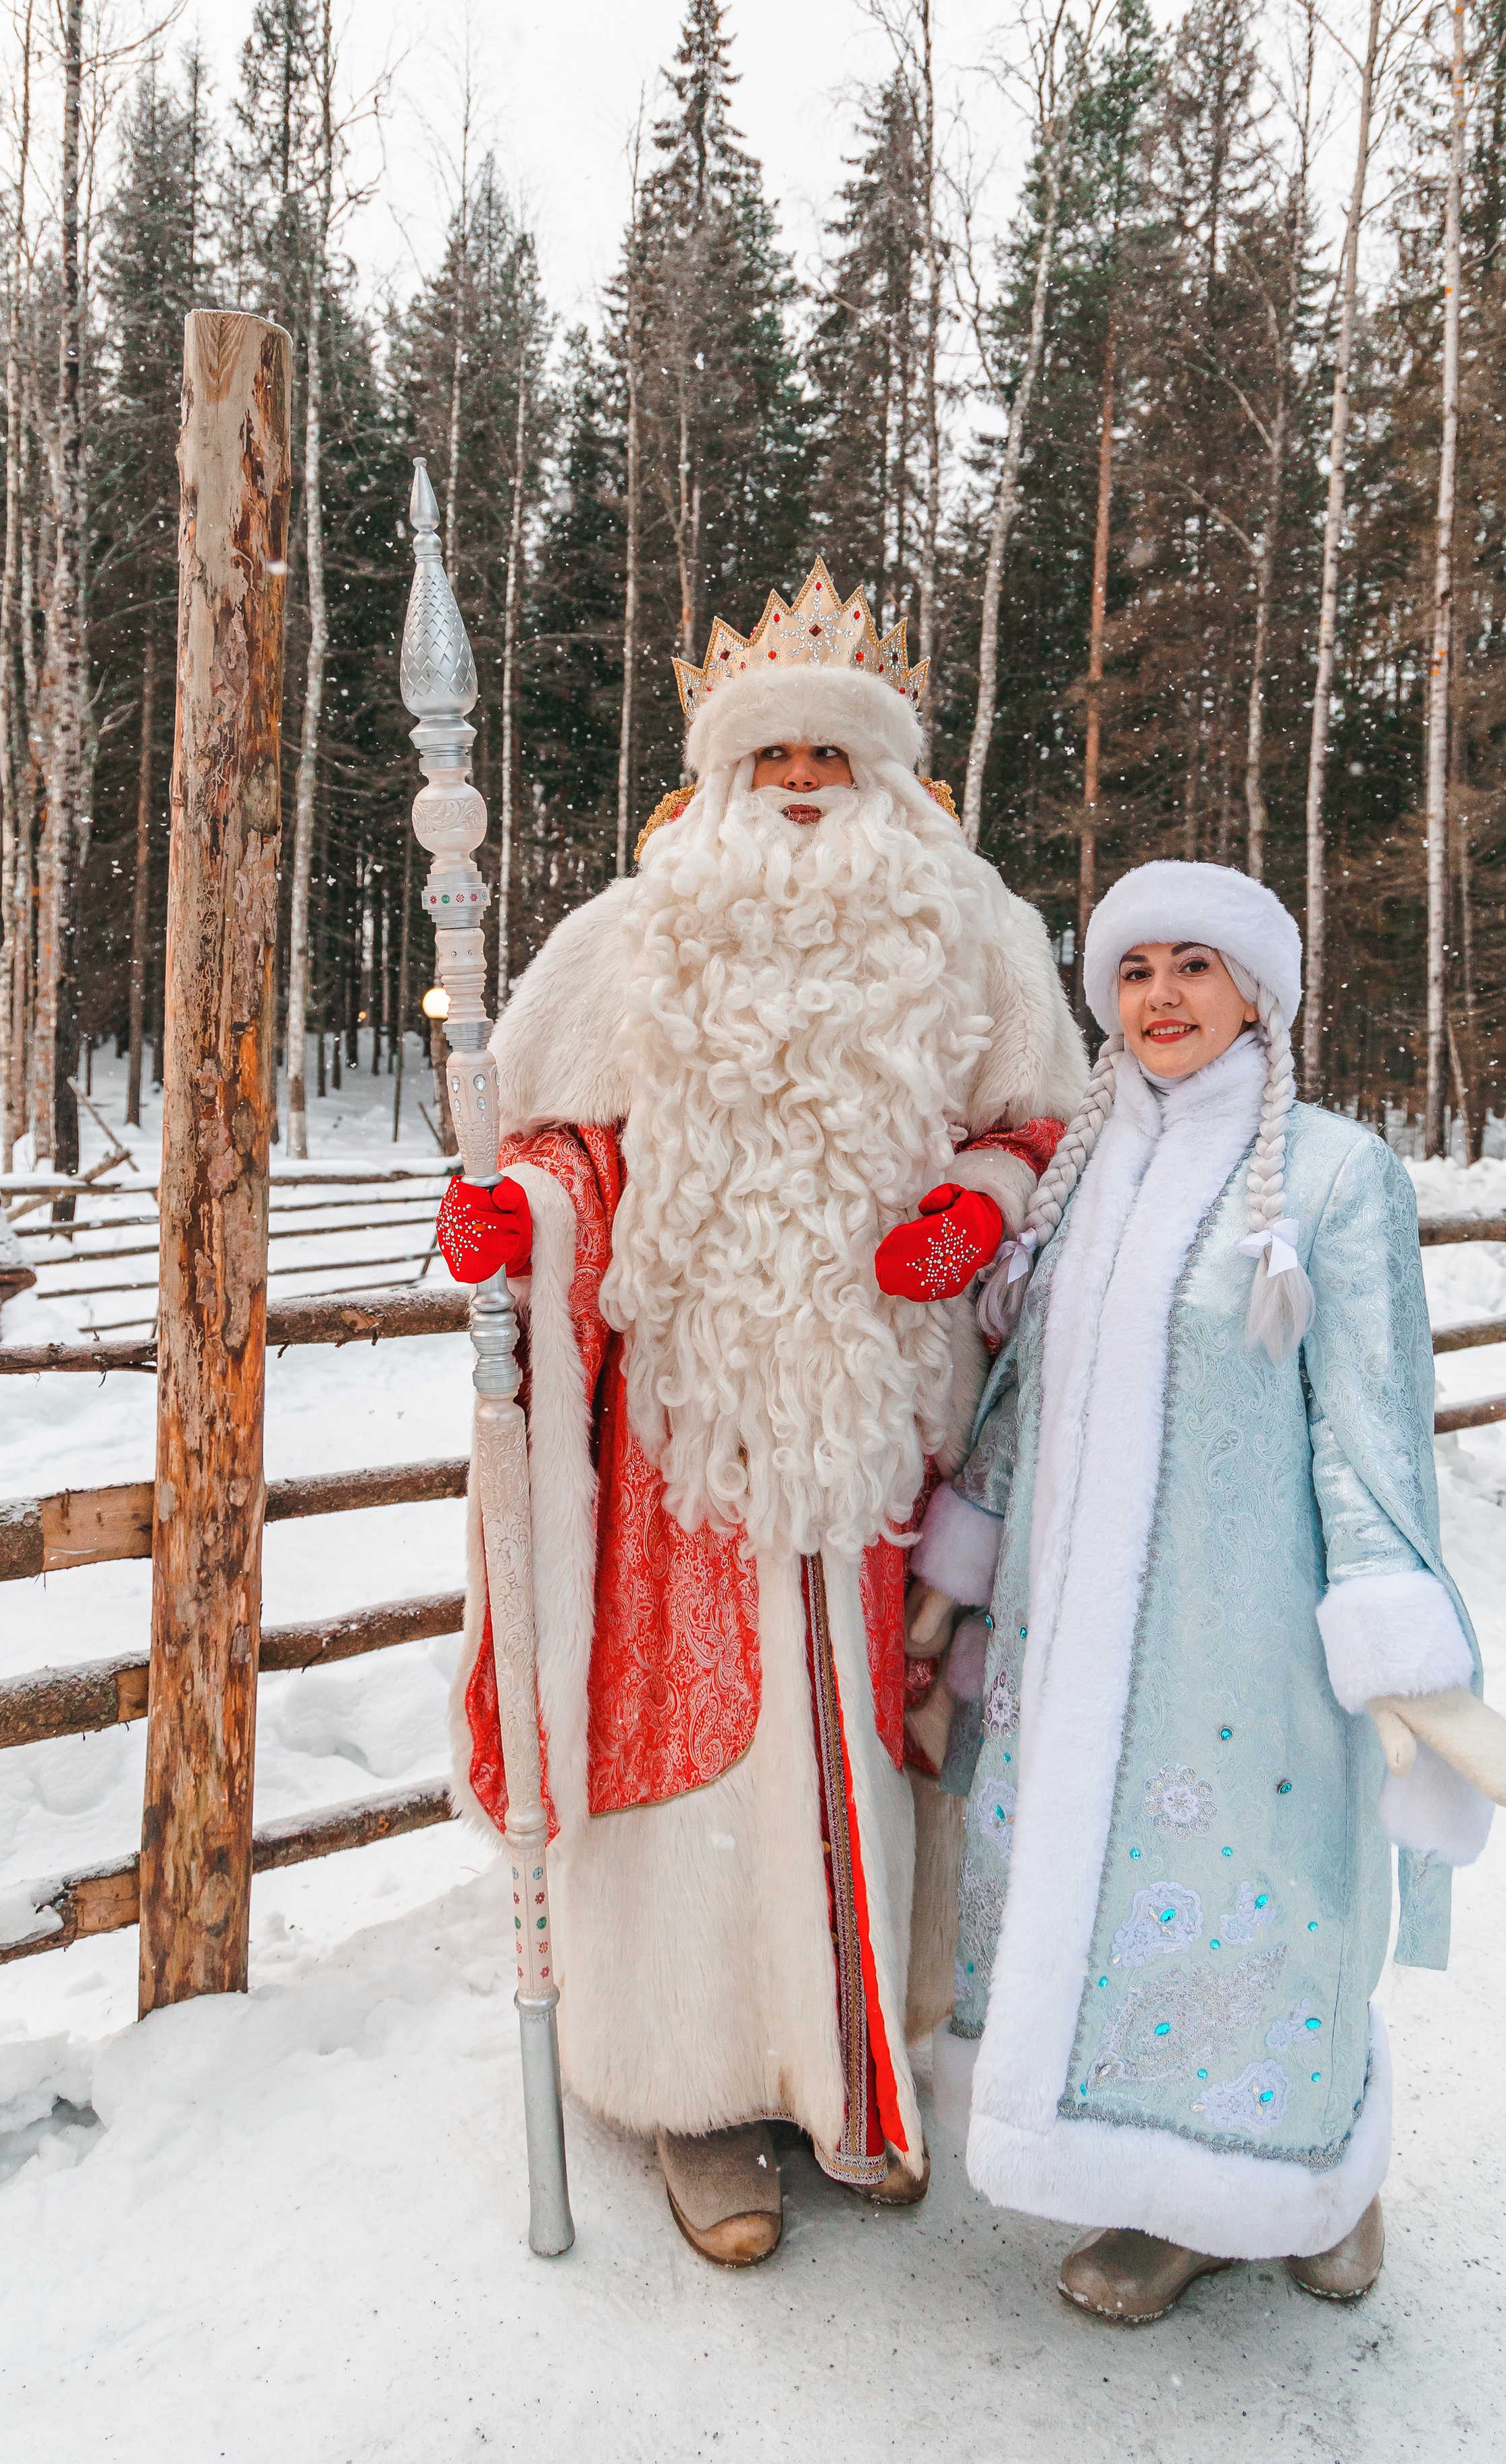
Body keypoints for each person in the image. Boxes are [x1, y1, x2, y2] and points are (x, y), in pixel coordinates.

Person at [434, 562, 1086, 2265]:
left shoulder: (974, 928)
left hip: (885, 1419)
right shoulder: (629, 933)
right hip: (687, 1430)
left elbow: (1044, 1123)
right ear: (720, 775)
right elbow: (566, 1145)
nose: (801, 784)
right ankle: (698, 2092)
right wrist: (525, 1214)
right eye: (771, 756)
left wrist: (979, 1204)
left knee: (873, 1732)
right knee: (696, 1738)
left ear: (885, 773)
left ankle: (854, 2064)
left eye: (830, 756)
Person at [910, 859, 1506, 2321]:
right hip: (1067, 1649)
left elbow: (1366, 1430)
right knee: (1104, 1915)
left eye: (1194, 966)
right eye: (1135, 971)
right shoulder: (1079, 1181)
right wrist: (960, 1569)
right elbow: (1024, 1397)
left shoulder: (1331, 1176)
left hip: (1246, 1648)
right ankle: (1162, 2193)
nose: (1162, 996)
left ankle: (1312, 2171)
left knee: (1261, 1909)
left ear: (1256, 992)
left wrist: (1398, 1647)